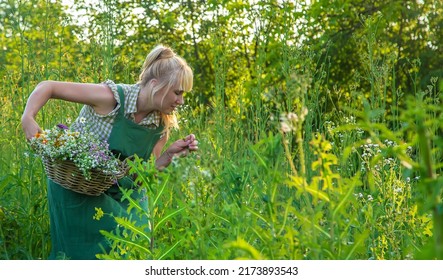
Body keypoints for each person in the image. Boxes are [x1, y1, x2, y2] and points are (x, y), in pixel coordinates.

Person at [21, 44, 198, 259]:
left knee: (135, 245)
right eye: (177, 92)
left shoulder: (160, 126)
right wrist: (28, 118)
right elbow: (48, 87)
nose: (181, 101)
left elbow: (140, 178)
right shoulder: (111, 99)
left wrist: (168, 156)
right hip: (79, 186)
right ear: (155, 85)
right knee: (79, 256)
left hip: (123, 196)